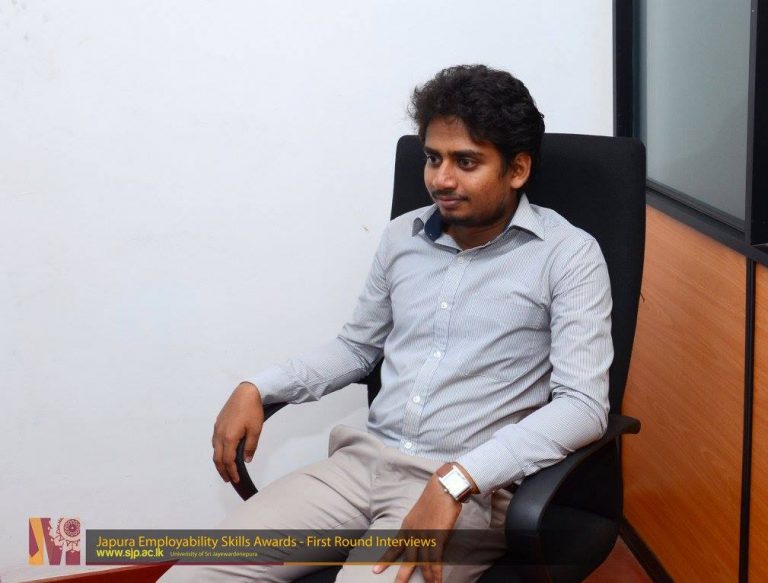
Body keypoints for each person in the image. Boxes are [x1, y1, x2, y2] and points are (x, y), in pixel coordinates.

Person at [160, 64, 612, 583]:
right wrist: (257, 387)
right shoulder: (403, 237)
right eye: (433, 158)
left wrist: (458, 480)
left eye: (466, 161)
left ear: (517, 170)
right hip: (360, 466)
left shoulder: (569, 256)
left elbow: (582, 407)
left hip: (465, 490)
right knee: (188, 576)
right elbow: (356, 348)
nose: (441, 179)